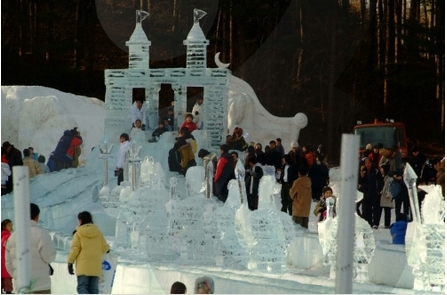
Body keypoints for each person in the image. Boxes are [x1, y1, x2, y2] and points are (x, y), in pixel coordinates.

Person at [6, 203, 56, 294]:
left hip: (21, 286)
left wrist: (16, 276)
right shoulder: (42, 234)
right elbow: (50, 257)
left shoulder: (12, 237)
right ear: (37, 216)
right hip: (41, 286)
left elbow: (8, 263)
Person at [67, 211, 110, 294]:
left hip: (83, 267)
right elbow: (106, 249)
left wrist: (70, 262)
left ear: (80, 220)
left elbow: (75, 249)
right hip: (95, 267)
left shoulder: (78, 234)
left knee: (82, 288)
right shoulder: (98, 233)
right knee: (94, 289)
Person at [358, 157, 381, 227]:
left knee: (376, 209)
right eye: (366, 163)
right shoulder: (363, 171)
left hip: (375, 193)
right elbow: (359, 182)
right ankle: (368, 222)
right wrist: (361, 176)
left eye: (369, 163)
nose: (367, 164)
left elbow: (380, 181)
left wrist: (378, 190)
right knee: (366, 209)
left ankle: (375, 223)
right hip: (366, 193)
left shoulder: (376, 171)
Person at [377, 164, 393, 229]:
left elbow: (390, 187)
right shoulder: (381, 176)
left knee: (387, 210)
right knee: (380, 210)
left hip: (386, 196)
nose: (381, 170)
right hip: (383, 195)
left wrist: (388, 194)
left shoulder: (389, 178)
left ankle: (387, 224)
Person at [1, 219, 13, 294]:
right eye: (9, 225)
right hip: (6, 263)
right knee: (8, 283)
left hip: (1, 262)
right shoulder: (8, 237)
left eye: (11, 225)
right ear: (4, 227)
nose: (11, 227)